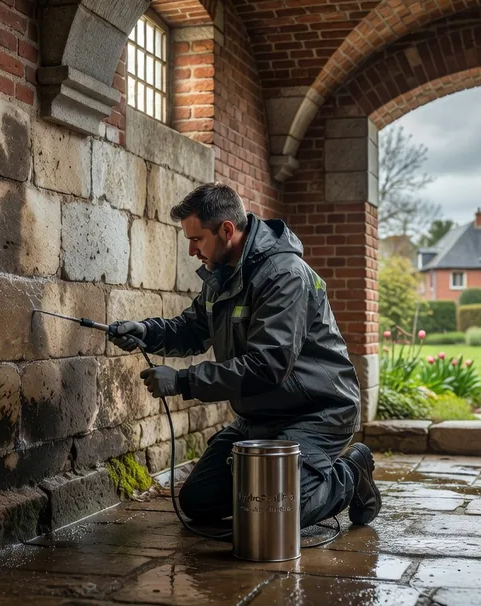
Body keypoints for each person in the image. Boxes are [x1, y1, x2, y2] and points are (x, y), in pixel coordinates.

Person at [108, 182, 380, 529]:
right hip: (258, 418)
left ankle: (351, 473)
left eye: (197, 239)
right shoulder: (222, 274)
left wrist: (183, 381)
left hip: (316, 412)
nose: (192, 250)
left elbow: (269, 365)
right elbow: (192, 329)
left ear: (226, 230)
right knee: (198, 502)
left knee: (277, 517)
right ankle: (267, 486)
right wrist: (145, 332)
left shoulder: (284, 275)